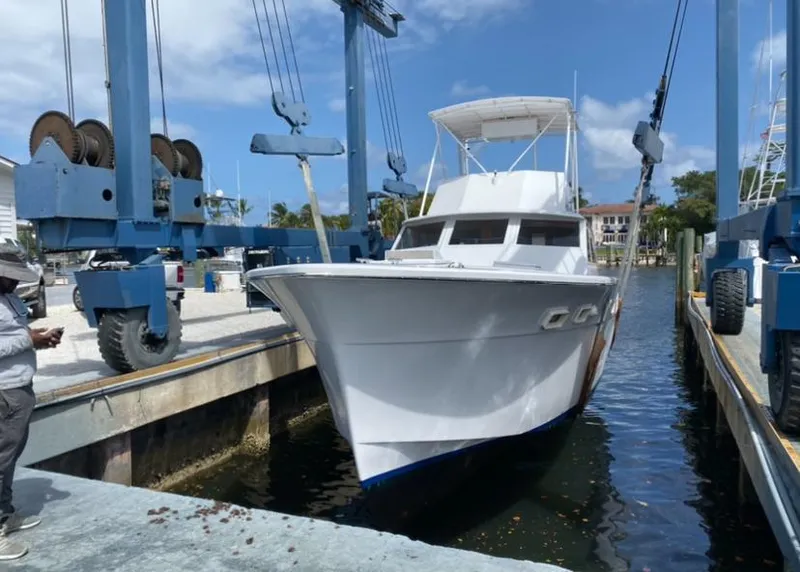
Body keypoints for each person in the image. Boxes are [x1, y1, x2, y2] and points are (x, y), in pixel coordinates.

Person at [0, 245, 62, 561]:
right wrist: (28, 340)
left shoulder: (8, 297)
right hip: (4, 392)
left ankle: (5, 513)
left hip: (20, 388)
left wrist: (38, 337)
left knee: (9, 457)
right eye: (9, 276)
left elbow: (11, 335)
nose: (14, 282)